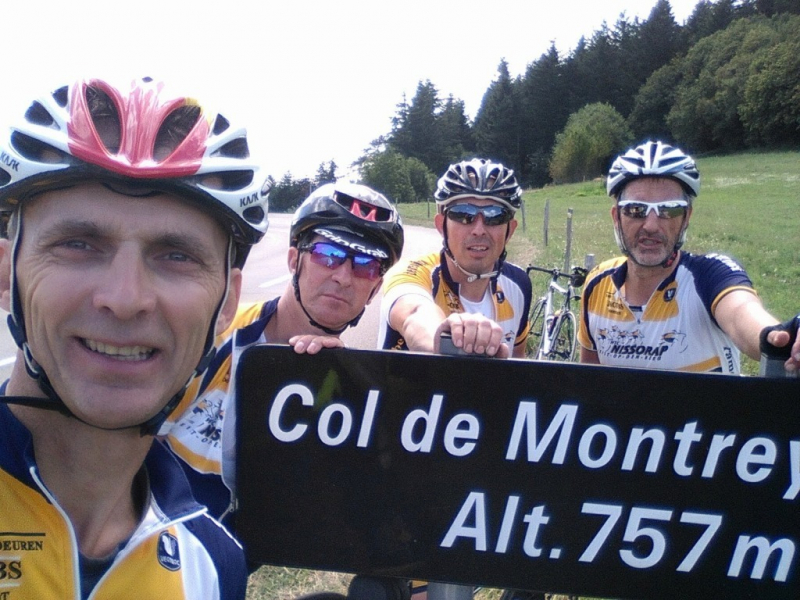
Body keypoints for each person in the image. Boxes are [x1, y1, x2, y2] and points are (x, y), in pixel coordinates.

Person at [0, 77, 271, 598]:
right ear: (4, 277)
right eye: (78, 243)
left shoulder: (214, 565)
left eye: (176, 255)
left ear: (227, 305)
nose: (126, 299)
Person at [164, 181, 404, 526]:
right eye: (328, 254)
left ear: (375, 289)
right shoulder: (217, 333)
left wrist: (338, 381)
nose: (343, 277)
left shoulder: (352, 386)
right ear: (295, 260)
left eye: (366, 265)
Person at [578, 140, 800, 374]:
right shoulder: (597, 284)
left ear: (686, 217)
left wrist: (777, 337)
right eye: (636, 210)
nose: (651, 225)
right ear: (616, 217)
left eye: (669, 210)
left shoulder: (709, 276)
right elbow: (589, 387)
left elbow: (740, 313)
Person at [378, 158, 531, 358]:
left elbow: (517, 363)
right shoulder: (413, 273)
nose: (478, 230)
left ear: (510, 230)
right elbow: (414, 313)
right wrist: (448, 336)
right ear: (442, 226)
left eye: (495, 216)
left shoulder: (520, 284)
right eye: (463, 215)